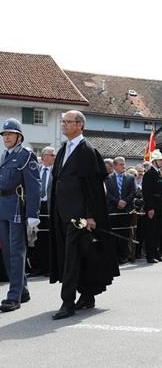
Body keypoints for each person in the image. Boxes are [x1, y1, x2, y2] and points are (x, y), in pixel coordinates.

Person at [49, 110, 119, 320]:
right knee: (78, 256)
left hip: (79, 218)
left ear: (79, 125)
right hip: (62, 213)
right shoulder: (63, 150)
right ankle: (87, 295)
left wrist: (90, 216)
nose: (63, 125)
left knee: (72, 258)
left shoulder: (87, 151)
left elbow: (94, 189)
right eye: (62, 121)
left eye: (67, 122)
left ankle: (67, 302)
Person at [0, 118, 40, 312]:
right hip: (2, 208)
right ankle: (22, 291)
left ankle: (13, 296)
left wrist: (33, 214)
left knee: (16, 252)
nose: (6, 137)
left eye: (10, 134)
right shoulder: (3, 156)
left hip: (16, 207)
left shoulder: (26, 156)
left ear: (19, 136)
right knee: (7, 252)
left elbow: (34, 186)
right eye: (4, 134)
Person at [27, 146, 56, 277]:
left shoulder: (57, 172)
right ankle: (38, 267)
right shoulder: (35, 170)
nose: (54, 157)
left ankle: (51, 267)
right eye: (52, 155)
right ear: (44, 157)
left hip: (51, 207)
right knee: (37, 239)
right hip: (37, 207)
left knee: (50, 238)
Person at [105, 156, 136, 264]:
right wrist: (117, 202)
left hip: (126, 209)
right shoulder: (108, 178)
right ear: (115, 166)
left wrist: (124, 202)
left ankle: (123, 256)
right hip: (113, 210)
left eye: (124, 164)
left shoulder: (130, 178)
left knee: (124, 234)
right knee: (113, 234)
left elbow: (133, 192)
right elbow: (107, 194)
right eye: (121, 164)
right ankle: (114, 256)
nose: (124, 166)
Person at [142, 149, 162, 263]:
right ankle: (150, 255)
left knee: (158, 231)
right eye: (160, 160)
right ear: (155, 161)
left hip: (160, 206)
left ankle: (156, 253)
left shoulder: (158, 173)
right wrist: (150, 208)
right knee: (151, 231)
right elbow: (147, 192)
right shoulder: (149, 174)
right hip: (153, 206)